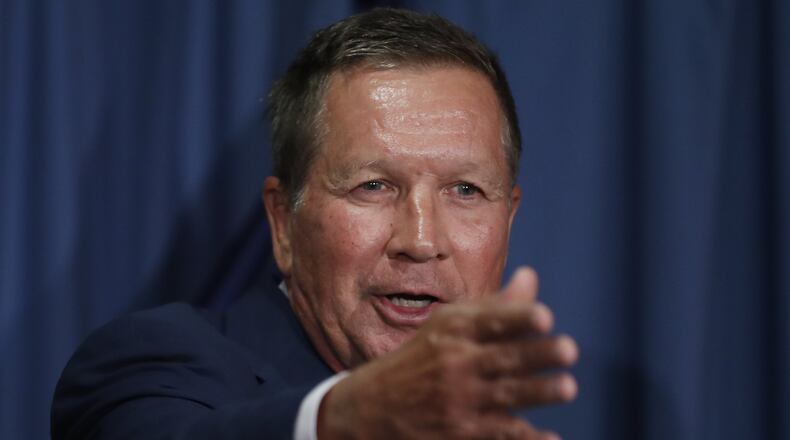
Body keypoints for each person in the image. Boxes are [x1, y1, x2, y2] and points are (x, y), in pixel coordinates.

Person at [52, 8, 578, 440]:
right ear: (283, 222)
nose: (421, 241)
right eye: (373, 186)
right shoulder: (152, 366)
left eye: (466, 190)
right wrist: (344, 419)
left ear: (508, 222)